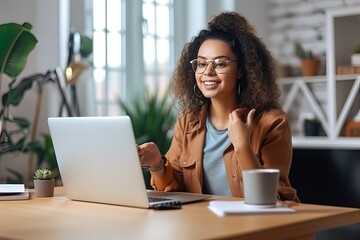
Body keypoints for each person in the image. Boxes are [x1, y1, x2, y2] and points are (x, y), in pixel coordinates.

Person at [138, 11, 299, 202]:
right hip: (204, 227)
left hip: (258, 227)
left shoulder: (272, 123)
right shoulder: (187, 122)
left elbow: (274, 199)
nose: (208, 72)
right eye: (201, 63)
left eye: (220, 64)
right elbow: (175, 193)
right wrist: (157, 164)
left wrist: (242, 146)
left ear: (241, 70)